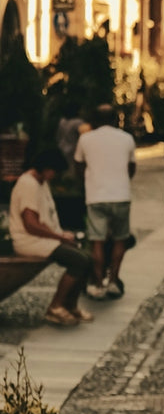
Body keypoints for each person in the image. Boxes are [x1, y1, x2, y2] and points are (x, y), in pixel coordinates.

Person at [9, 147, 94, 327]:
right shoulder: (28, 184)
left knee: (87, 258)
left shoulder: (40, 182)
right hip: (30, 241)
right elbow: (30, 224)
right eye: (54, 171)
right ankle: (55, 306)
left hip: (45, 239)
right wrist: (59, 237)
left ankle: (70, 305)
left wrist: (61, 235)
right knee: (78, 261)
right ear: (46, 168)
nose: (55, 176)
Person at [74, 105, 136, 300]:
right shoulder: (126, 138)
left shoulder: (85, 139)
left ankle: (98, 281)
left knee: (97, 241)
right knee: (120, 238)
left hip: (96, 195)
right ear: (115, 119)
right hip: (121, 194)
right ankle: (114, 281)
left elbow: (78, 165)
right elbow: (131, 167)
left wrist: (86, 184)